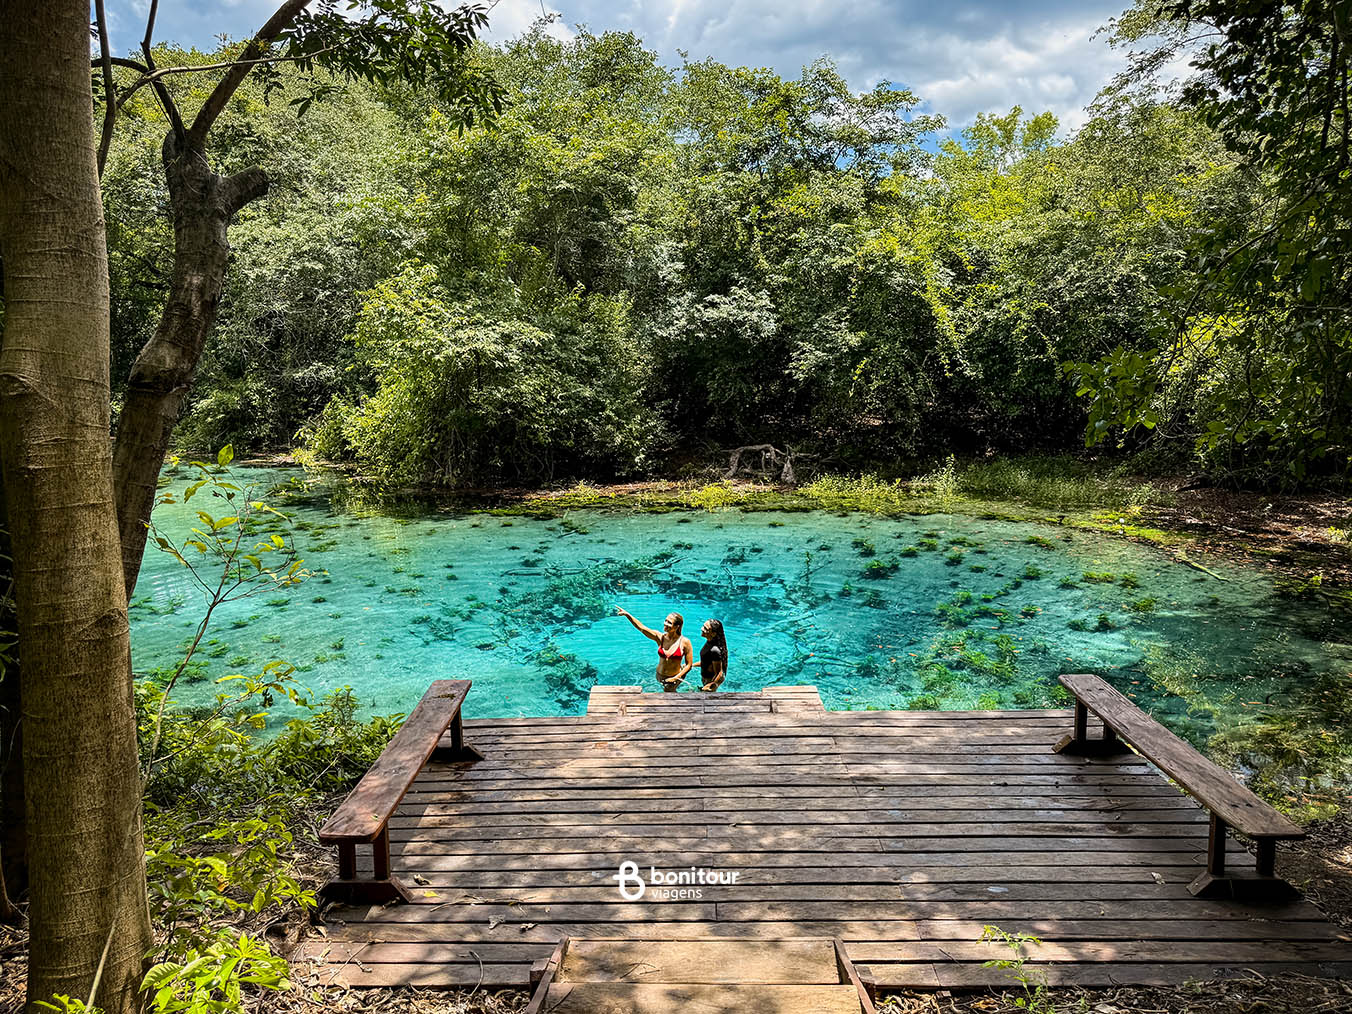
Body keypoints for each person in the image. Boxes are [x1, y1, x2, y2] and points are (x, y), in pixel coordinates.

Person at [615, 607, 693, 691]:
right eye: (665, 621)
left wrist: (676, 678)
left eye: (669, 622)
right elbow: (642, 628)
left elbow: (689, 665)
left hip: (674, 677)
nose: (665, 624)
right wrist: (628, 615)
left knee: (669, 696)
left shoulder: (685, 642)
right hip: (659, 675)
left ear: (677, 626)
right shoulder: (660, 637)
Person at [694, 618, 729, 692]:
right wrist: (692, 665)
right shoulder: (709, 642)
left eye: (706, 629)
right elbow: (706, 662)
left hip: (710, 680)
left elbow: (719, 672)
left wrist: (711, 685)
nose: (702, 629)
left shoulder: (714, 650)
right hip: (706, 678)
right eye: (703, 626)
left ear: (713, 634)